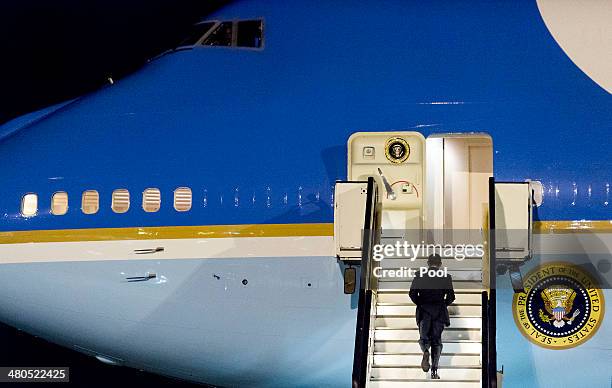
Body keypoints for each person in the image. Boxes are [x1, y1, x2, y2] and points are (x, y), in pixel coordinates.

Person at [408, 253, 455, 379]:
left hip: (424, 312)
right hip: (439, 312)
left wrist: (422, 304)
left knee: (424, 338)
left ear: (428, 263)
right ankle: (434, 371)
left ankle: (425, 351)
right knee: (437, 341)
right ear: (440, 264)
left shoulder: (420, 275)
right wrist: (442, 304)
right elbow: (451, 297)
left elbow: (412, 294)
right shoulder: (446, 277)